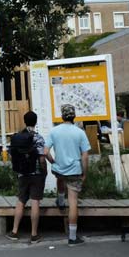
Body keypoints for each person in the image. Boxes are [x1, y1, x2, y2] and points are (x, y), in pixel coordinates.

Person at [44, 104, 90, 246]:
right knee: (74, 202)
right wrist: (84, 173)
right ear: (74, 116)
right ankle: (72, 237)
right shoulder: (80, 132)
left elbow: (45, 151)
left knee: (60, 177)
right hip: (74, 170)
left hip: (59, 169)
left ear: (62, 116)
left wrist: (53, 162)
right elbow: (85, 156)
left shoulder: (54, 131)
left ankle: (60, 200)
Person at [6, 111, 47, 244]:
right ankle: (34, 234)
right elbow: (41, 158)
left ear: (25, 121)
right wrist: (44, 171)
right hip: (36, 174)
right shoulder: (38, 138)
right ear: (36, 122)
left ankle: (14, 231)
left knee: (21, 200)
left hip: (22, 173)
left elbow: (12, 154)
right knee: (35, 201)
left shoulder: (18, 137)